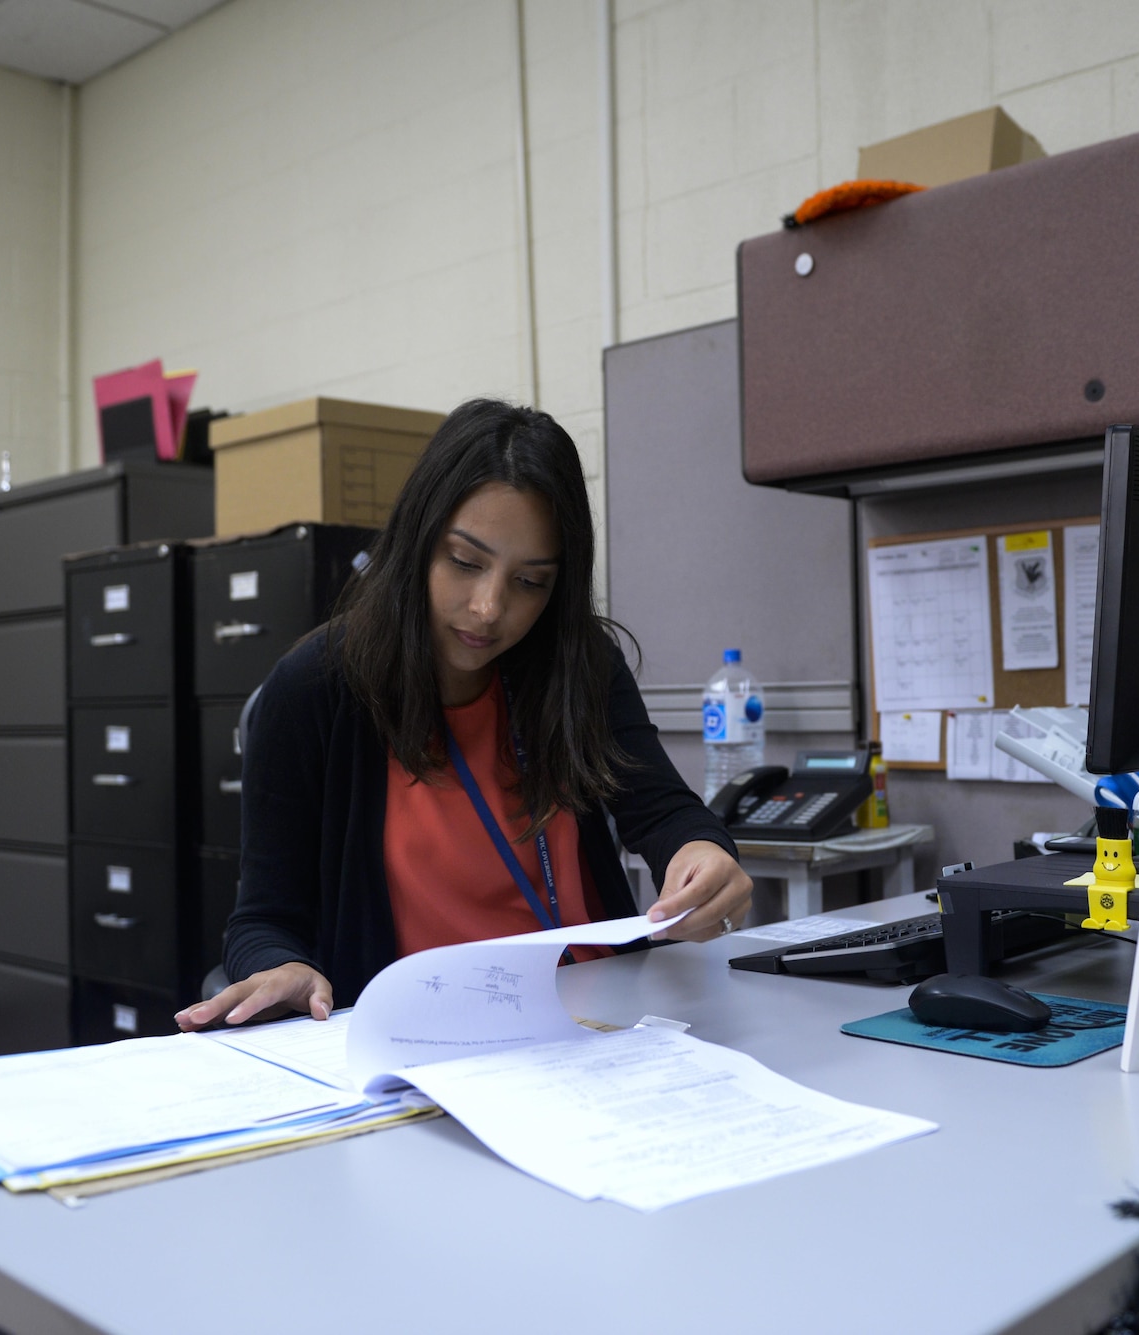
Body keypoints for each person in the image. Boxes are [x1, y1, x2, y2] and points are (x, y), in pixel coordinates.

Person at [177, 399, 753, 1030]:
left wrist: (701, 854)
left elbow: (664, 812)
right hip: (424, 1042)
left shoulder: (578, 666)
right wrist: (279, 964)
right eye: (465, 562)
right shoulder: (316, 689)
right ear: (416, 541)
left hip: (597, 1024)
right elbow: (262, 919)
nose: (488, 608)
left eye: (530, 582)